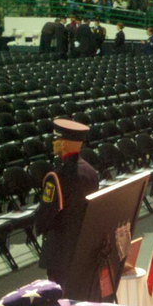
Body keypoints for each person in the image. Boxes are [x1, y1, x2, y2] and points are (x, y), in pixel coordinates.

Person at [35, 119, 99, 288]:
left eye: (55, 139)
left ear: (63, 144)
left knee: (63, 298)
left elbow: (45, 215)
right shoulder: (90, 171)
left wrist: (38, 226)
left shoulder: (56, 177)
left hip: (61, 251)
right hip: (83, 244)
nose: (53, 143)